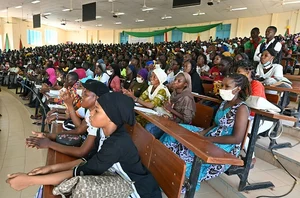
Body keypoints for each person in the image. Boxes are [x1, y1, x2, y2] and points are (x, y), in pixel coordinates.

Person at [6, 92, 162, 198]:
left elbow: (84, 170)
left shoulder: (118, 143)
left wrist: (29, 180)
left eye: (97, 111)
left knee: (82, 184)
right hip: (117, 177)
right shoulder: (104, 132)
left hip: (138, 190)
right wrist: (51, 168)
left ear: (111, 118)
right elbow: (89, 160)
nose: (91, 114)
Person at [160, 73, 250, 192]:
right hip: (211, 135)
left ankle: (186, 182)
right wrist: (203, 133)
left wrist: (207, 140)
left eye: (227, 86)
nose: (222, 89)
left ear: (237, 89)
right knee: (177, 131)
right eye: (222, 85)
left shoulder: (241, 108)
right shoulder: (224, 103)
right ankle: (161, 165)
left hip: (225, 147)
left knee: (188, 148)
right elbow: (216, 125)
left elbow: (236, 138)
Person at [26, 80, 109, 158]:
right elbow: (79, 129)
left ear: (97, 98)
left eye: (86, 94)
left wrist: (49, 143)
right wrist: (47, 135)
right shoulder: (90, 111)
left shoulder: (99, 119)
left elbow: (81, 151)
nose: (82, 96)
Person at [146, 72, 196, 139]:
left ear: (185, 84)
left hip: (181, 125)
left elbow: (187, 119)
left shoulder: (187, 98)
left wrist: (171, 110)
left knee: (150, 129)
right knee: (149, 126)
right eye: (175, 79)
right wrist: (168, 112)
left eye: (179, 81)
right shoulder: (175, 93)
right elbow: (172, 109)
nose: (175, 82)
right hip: (172, 119)